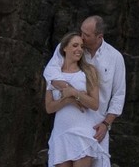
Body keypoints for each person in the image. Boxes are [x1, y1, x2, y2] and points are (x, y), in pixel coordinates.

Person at [42, 15, 126, 156]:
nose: (81, 37)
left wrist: (106, 124)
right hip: (69, 120)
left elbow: (119, 95)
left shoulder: (115, 57)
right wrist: (68, 91)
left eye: (86, 35)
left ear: (99, 37)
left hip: (97, 125)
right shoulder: (71, 48)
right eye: (81, 32)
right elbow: (50, 72)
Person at [43, 31, 104, 167]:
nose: (79, 49)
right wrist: (68, 100)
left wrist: (74, 92)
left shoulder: (88, 71)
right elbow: (49, 107)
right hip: (61, 133)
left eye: (81, 46)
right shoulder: (53, 73)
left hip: (82, 132)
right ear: (64, 48)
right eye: (75, 45)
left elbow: (94, 104)